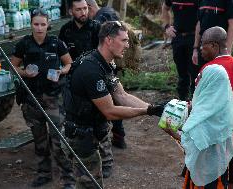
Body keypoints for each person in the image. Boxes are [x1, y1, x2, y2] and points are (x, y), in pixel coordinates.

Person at [62, 21, 164, 189]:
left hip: (92, 134)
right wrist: (147, 110)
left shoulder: (105, 63)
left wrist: (154, 108)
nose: (128, 45)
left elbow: (121, 95)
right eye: (124, 40)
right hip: (81, 139)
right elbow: (110, 111)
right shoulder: (91, 70)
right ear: (109, 40)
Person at [11, 8, 75, 189]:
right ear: (31, 24)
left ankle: (68, 177)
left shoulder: (56, 43)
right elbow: (13, 66)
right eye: (36, 24)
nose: (39, 28)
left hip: (54, 98)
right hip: (32, 99)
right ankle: (44, 174)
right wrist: (24, 73)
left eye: (43, 24)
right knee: (39, 139)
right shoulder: (24, 44)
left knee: (58, 139)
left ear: (48, 25)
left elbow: (69, 63)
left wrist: (60, 71)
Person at [59, 0, 115, 178]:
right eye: (78, 9)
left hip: (96, 78)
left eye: (85, 8)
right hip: (75, 83)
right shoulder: (65, 31)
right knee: (77, 120)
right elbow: (63, 56)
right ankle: (78, 158)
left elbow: (107, 53)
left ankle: (106, 161)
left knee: (100, 120)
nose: (83, 12)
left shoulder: (97, 28)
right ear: (71, 11)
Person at [163, 63, 233, 188]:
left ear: (209, 82)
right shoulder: (224, 107)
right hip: (220, 167)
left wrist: (171, 132)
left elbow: (194, 143)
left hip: (206, 172)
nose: (198, 80)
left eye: (202, 77)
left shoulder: (204, 113)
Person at [199, 26, 233, 189]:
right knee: (230, 177)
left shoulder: (208, 70)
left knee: (213, 177)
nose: (201, 49)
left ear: (214, 46)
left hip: (216, 132)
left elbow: (200, 104)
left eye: (203, 44)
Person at [87, 0, 128, 153]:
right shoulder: (109, 11)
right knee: (115, 98)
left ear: (90, 7)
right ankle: (119, 136)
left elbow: (104, 44)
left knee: (110, 100)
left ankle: (114, 136)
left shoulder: (100, 18)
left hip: (104, 65)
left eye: (85, 9)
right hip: (109, 64)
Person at [161, 0, 199, 100]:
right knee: (182, 73)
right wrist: (167, 26)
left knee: (195, 72)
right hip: (178, 38)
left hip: (194, 37)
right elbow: (165, 8)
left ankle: (195, 102)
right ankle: (182, 102)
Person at [192, 0, 233, 67]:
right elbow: (199, 24)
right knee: (203, 75)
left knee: (218, 75)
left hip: (218, 49)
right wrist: (195, 49)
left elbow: (232, 24)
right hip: (204, 49)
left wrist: (228, 51)